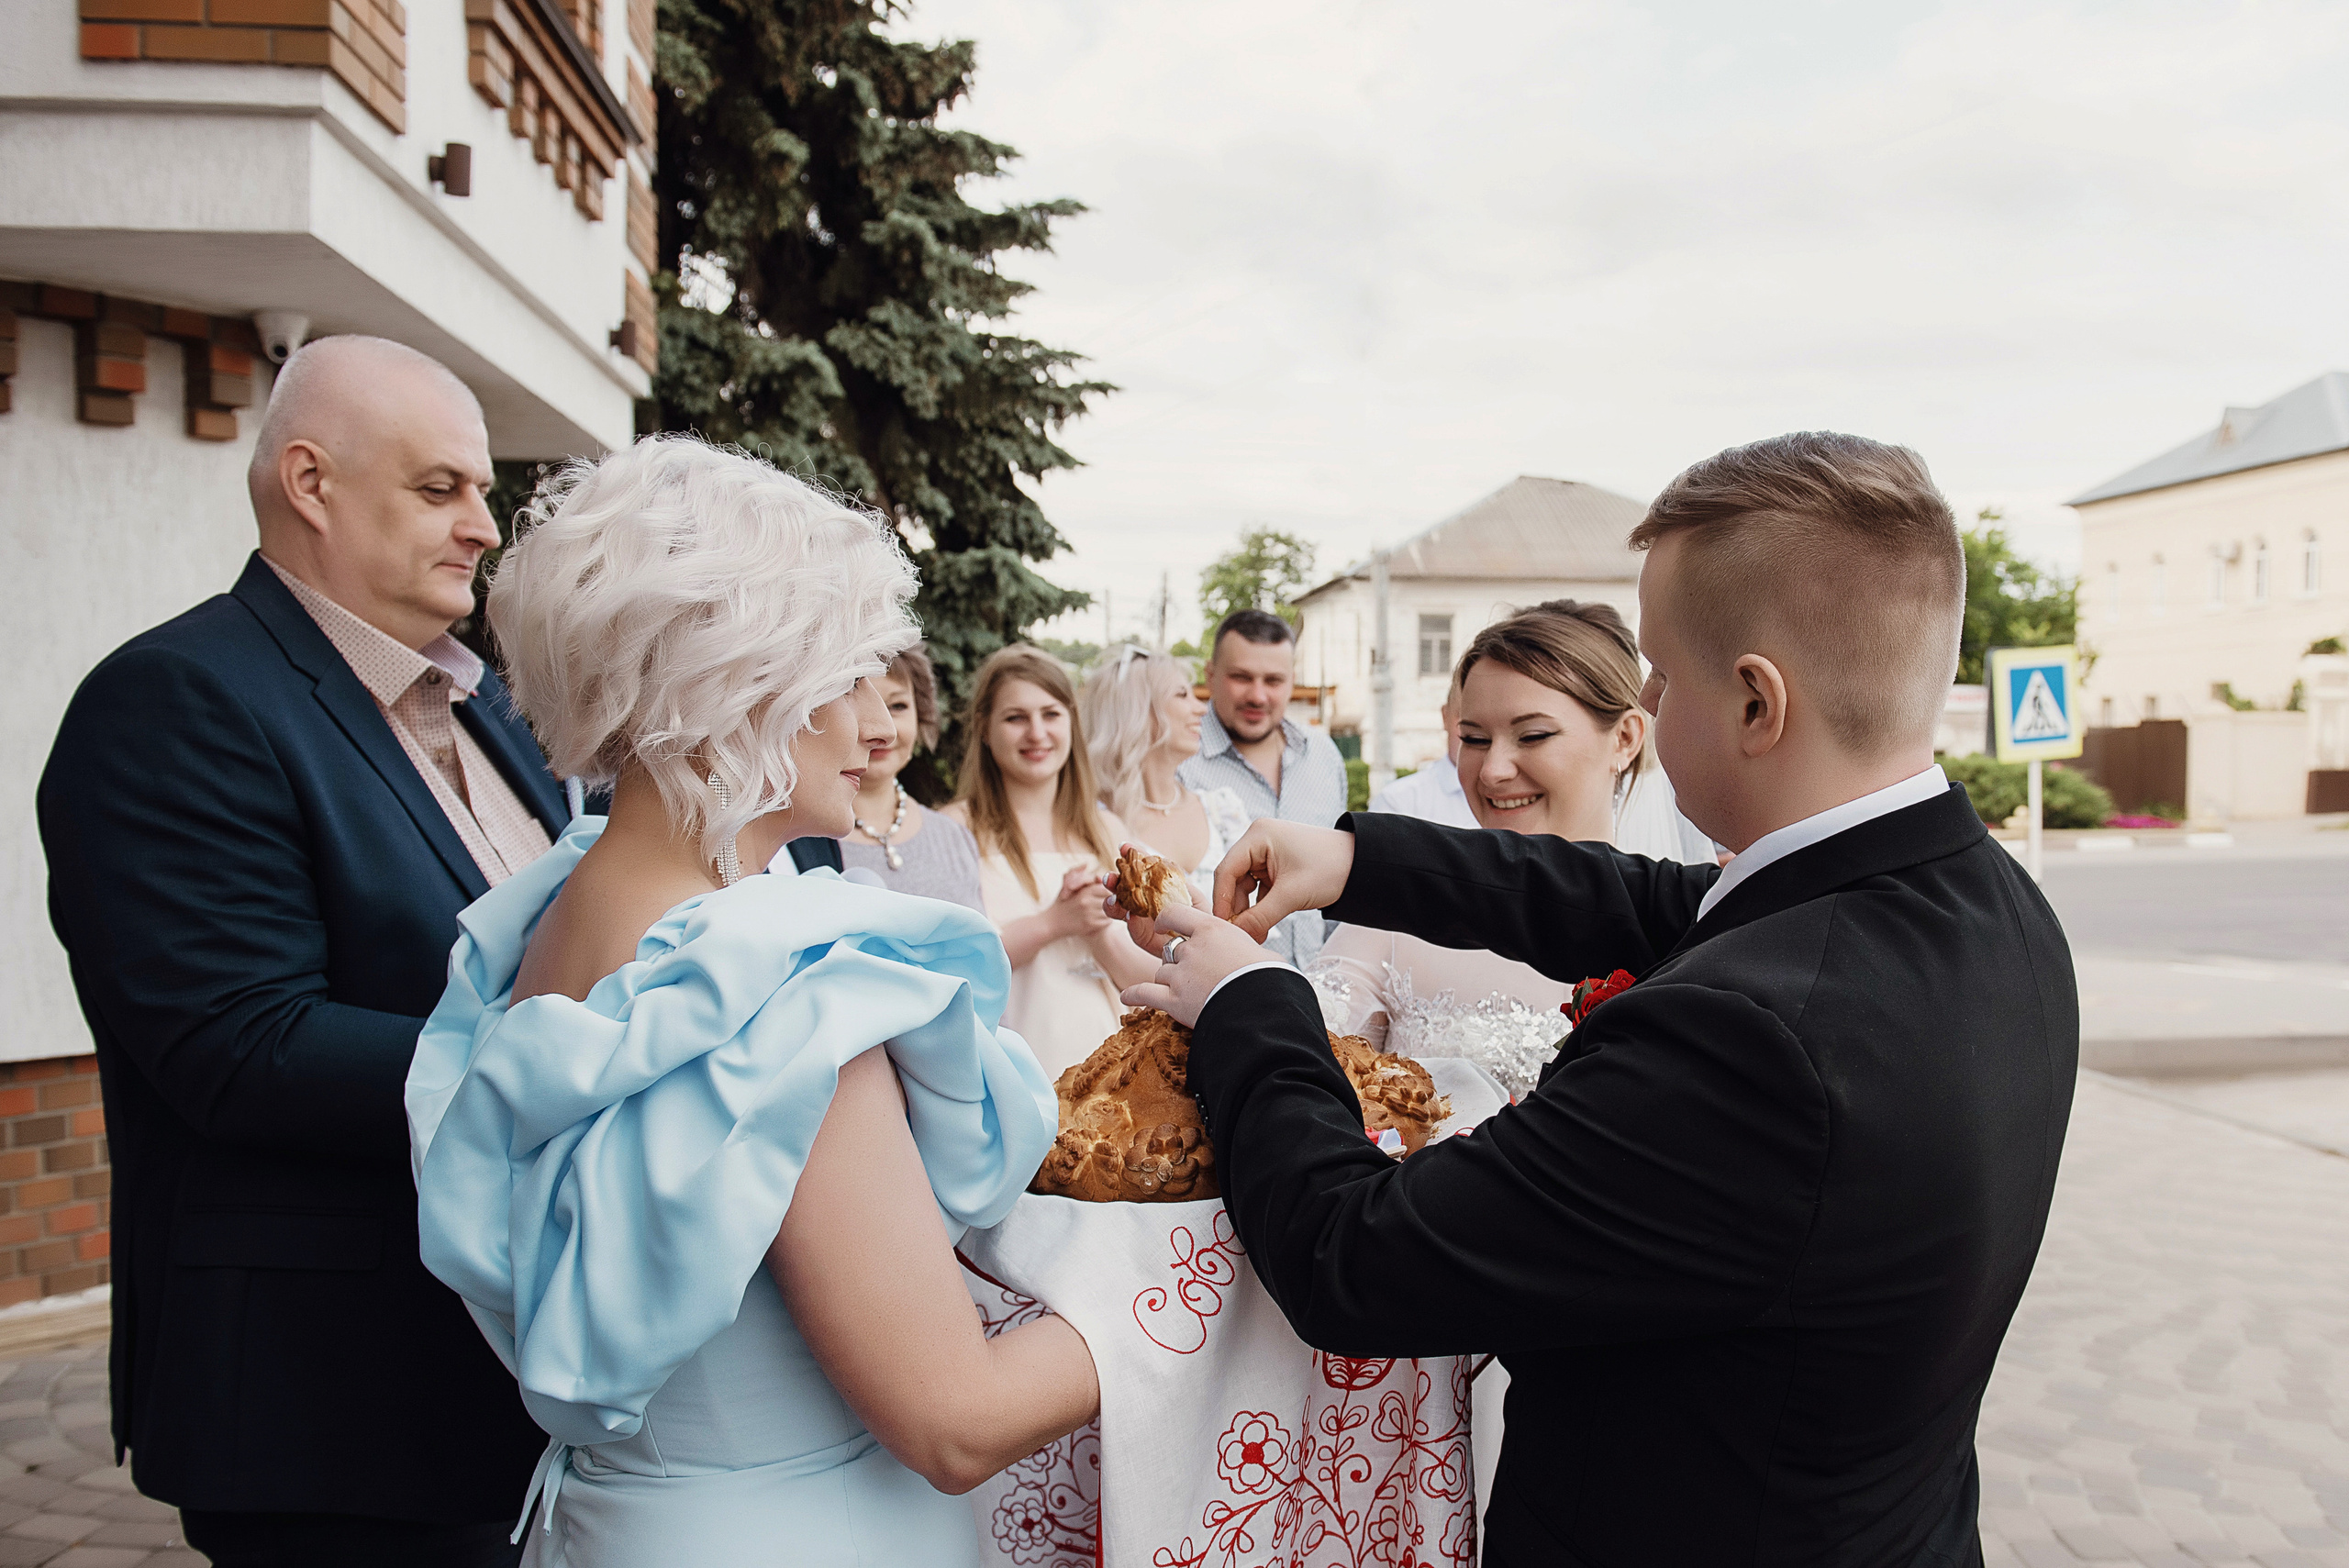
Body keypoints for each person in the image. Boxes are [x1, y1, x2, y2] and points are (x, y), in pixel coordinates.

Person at [1121, 432, 2078, 1567]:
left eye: (1662, 676)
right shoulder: (1986, 904)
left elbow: (1356, 1258)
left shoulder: (1752, 1041)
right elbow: (1646, 899)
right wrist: (1352, 859)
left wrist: (1251, 1000)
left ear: (1755, 702)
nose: (1651, 707)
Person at [406, 436, 1098, 1567]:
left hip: (615, 1520)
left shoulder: (546, 915)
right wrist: (1190, 1285)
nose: (875, 718)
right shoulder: (786, 985)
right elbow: (955, 1417)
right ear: (736, 685)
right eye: (845, 672)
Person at [37, 336, 562, 1567]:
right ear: (311, 484)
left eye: (483, 491)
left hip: (514, 1370)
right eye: (440, 489)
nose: (484, 526)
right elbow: (241, 1044)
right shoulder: (180, 696)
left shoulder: (484, 707)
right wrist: (582, 1063)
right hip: (337, 1404)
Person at [1310, 600, 1647, 1100]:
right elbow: (1298, 1064)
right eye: (1473, 738)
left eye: (1532, 735)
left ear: (1624, 738)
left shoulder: (1681, 933)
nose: (1492, 771)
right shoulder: (1396, 917)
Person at [942, 646, 1159, 1078]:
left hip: (1110, 1076)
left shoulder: (1108, 829)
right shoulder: (953, 829)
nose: (1036, 733)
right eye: (1015, 717)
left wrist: (1098, 934)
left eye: (1051, 714)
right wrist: (1053, 924)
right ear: (985, 729)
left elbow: (1155, 979)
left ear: (1072, 724)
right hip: (1012, 1074)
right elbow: (948, 965)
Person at [1177, 608, 1348, 965]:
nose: (1257, 696)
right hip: (1220, 996)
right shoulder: (1177, 763)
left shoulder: (1323, 755)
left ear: (1292, 680)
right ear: (1210, 675)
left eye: (1273, 680)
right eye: (1241, 677)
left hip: (1320, 990)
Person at [772, 640, 984, 910]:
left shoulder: (953, 836)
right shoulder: (796, 837)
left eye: (897, 707)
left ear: (922, 716)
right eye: (851, 703)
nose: (882, 728)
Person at [1079, 644, 1252, 902]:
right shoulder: (1088, 821)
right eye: (1182, 695)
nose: (1202, 709)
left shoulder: (1222, 811)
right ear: (1137, 709)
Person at [1364, 671, 1477, 828]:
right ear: (1445, 716)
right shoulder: (1399, 805)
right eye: (1468, 720)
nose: (1480, 734)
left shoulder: (1519, 800)